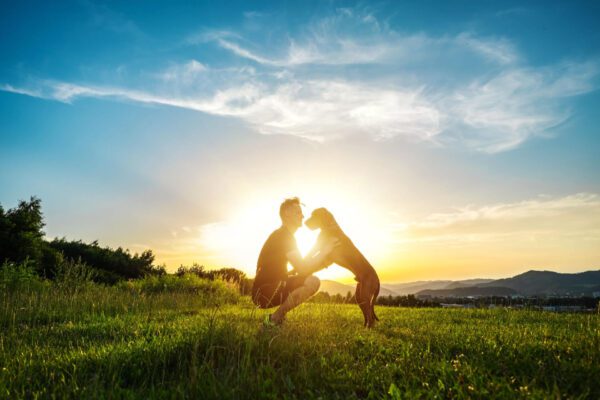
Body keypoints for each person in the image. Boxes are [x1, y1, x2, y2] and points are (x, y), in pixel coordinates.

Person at [252, 197, 338, 325]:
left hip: (271, 288)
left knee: (308, 278)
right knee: (313, 282)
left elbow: (301, 266)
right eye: (298, 212)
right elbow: (303, 268)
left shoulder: (284, 235)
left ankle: (276, 318)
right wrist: (324, 252)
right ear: (286, 214)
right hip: (264, 292)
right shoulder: (283, 236)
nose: (302, 216)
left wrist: (323, 260)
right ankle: (274, 319)